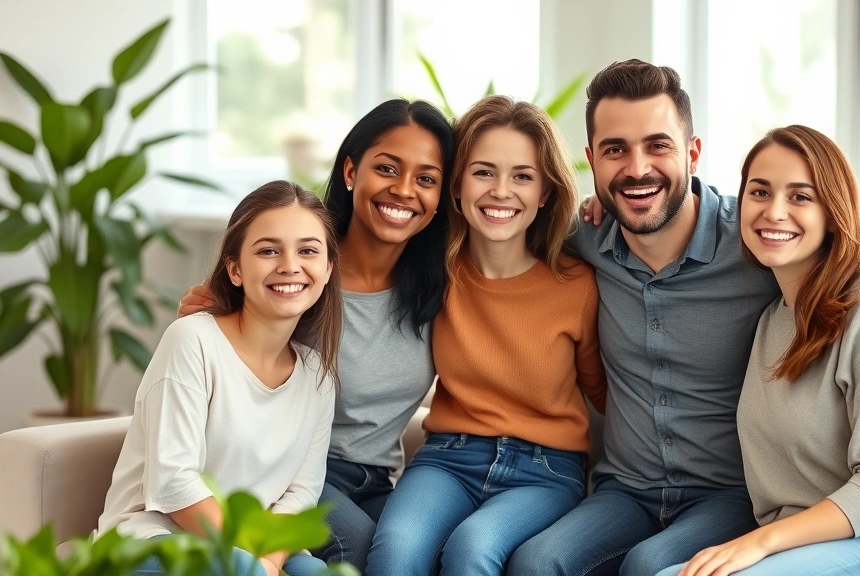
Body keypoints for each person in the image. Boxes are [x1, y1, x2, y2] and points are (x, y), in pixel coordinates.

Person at [507, 59, 860, 576]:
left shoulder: (760, 243)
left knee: (649, 566)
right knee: (535, 562)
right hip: (627, 488)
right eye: (616, 151)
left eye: (658, 145)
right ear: (592, 160)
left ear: (693, 153)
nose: (637, 168)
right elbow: (501, 232)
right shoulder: (583, 240)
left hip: (730, 495)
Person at [655, 125, 860, 576]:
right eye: (760, 192)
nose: (775, 212)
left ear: (832, 211)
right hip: (807, 544)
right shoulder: (772, 318)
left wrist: (758, 543)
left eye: (801, 197)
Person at [178, 99, 456, 572]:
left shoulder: (442, 283)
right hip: (291, 475)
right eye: (387, 168)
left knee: (426, 553)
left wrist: (598, 208)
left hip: (379, 480)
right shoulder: (298, 273)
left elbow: (526, 234)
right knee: (367, 550)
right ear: (350, 171)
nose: (404, 190)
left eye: (426, 178)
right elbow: (210, 357)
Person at [365, 95, 607, 576]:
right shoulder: (433, 270)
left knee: (472, 548)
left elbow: (605, 392)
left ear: (545, 192)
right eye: (483, 172)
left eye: (522, 176)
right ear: (455, 186)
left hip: (546, 471)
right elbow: (340, 253)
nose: (501, 191)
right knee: (396, 549)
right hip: (448, 459)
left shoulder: (577, 284)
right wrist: (225, 297)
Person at [99, 180, 342, 576]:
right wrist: (253, 564)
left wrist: (267, 560)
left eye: (308, 251)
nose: (290, 265)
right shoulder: (192, 339)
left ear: (328, 268)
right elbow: (175, 483)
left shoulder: (318, 375)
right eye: (268, 250)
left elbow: (299, 494)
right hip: (155, 539)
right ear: (235, 269)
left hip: (252, 548)